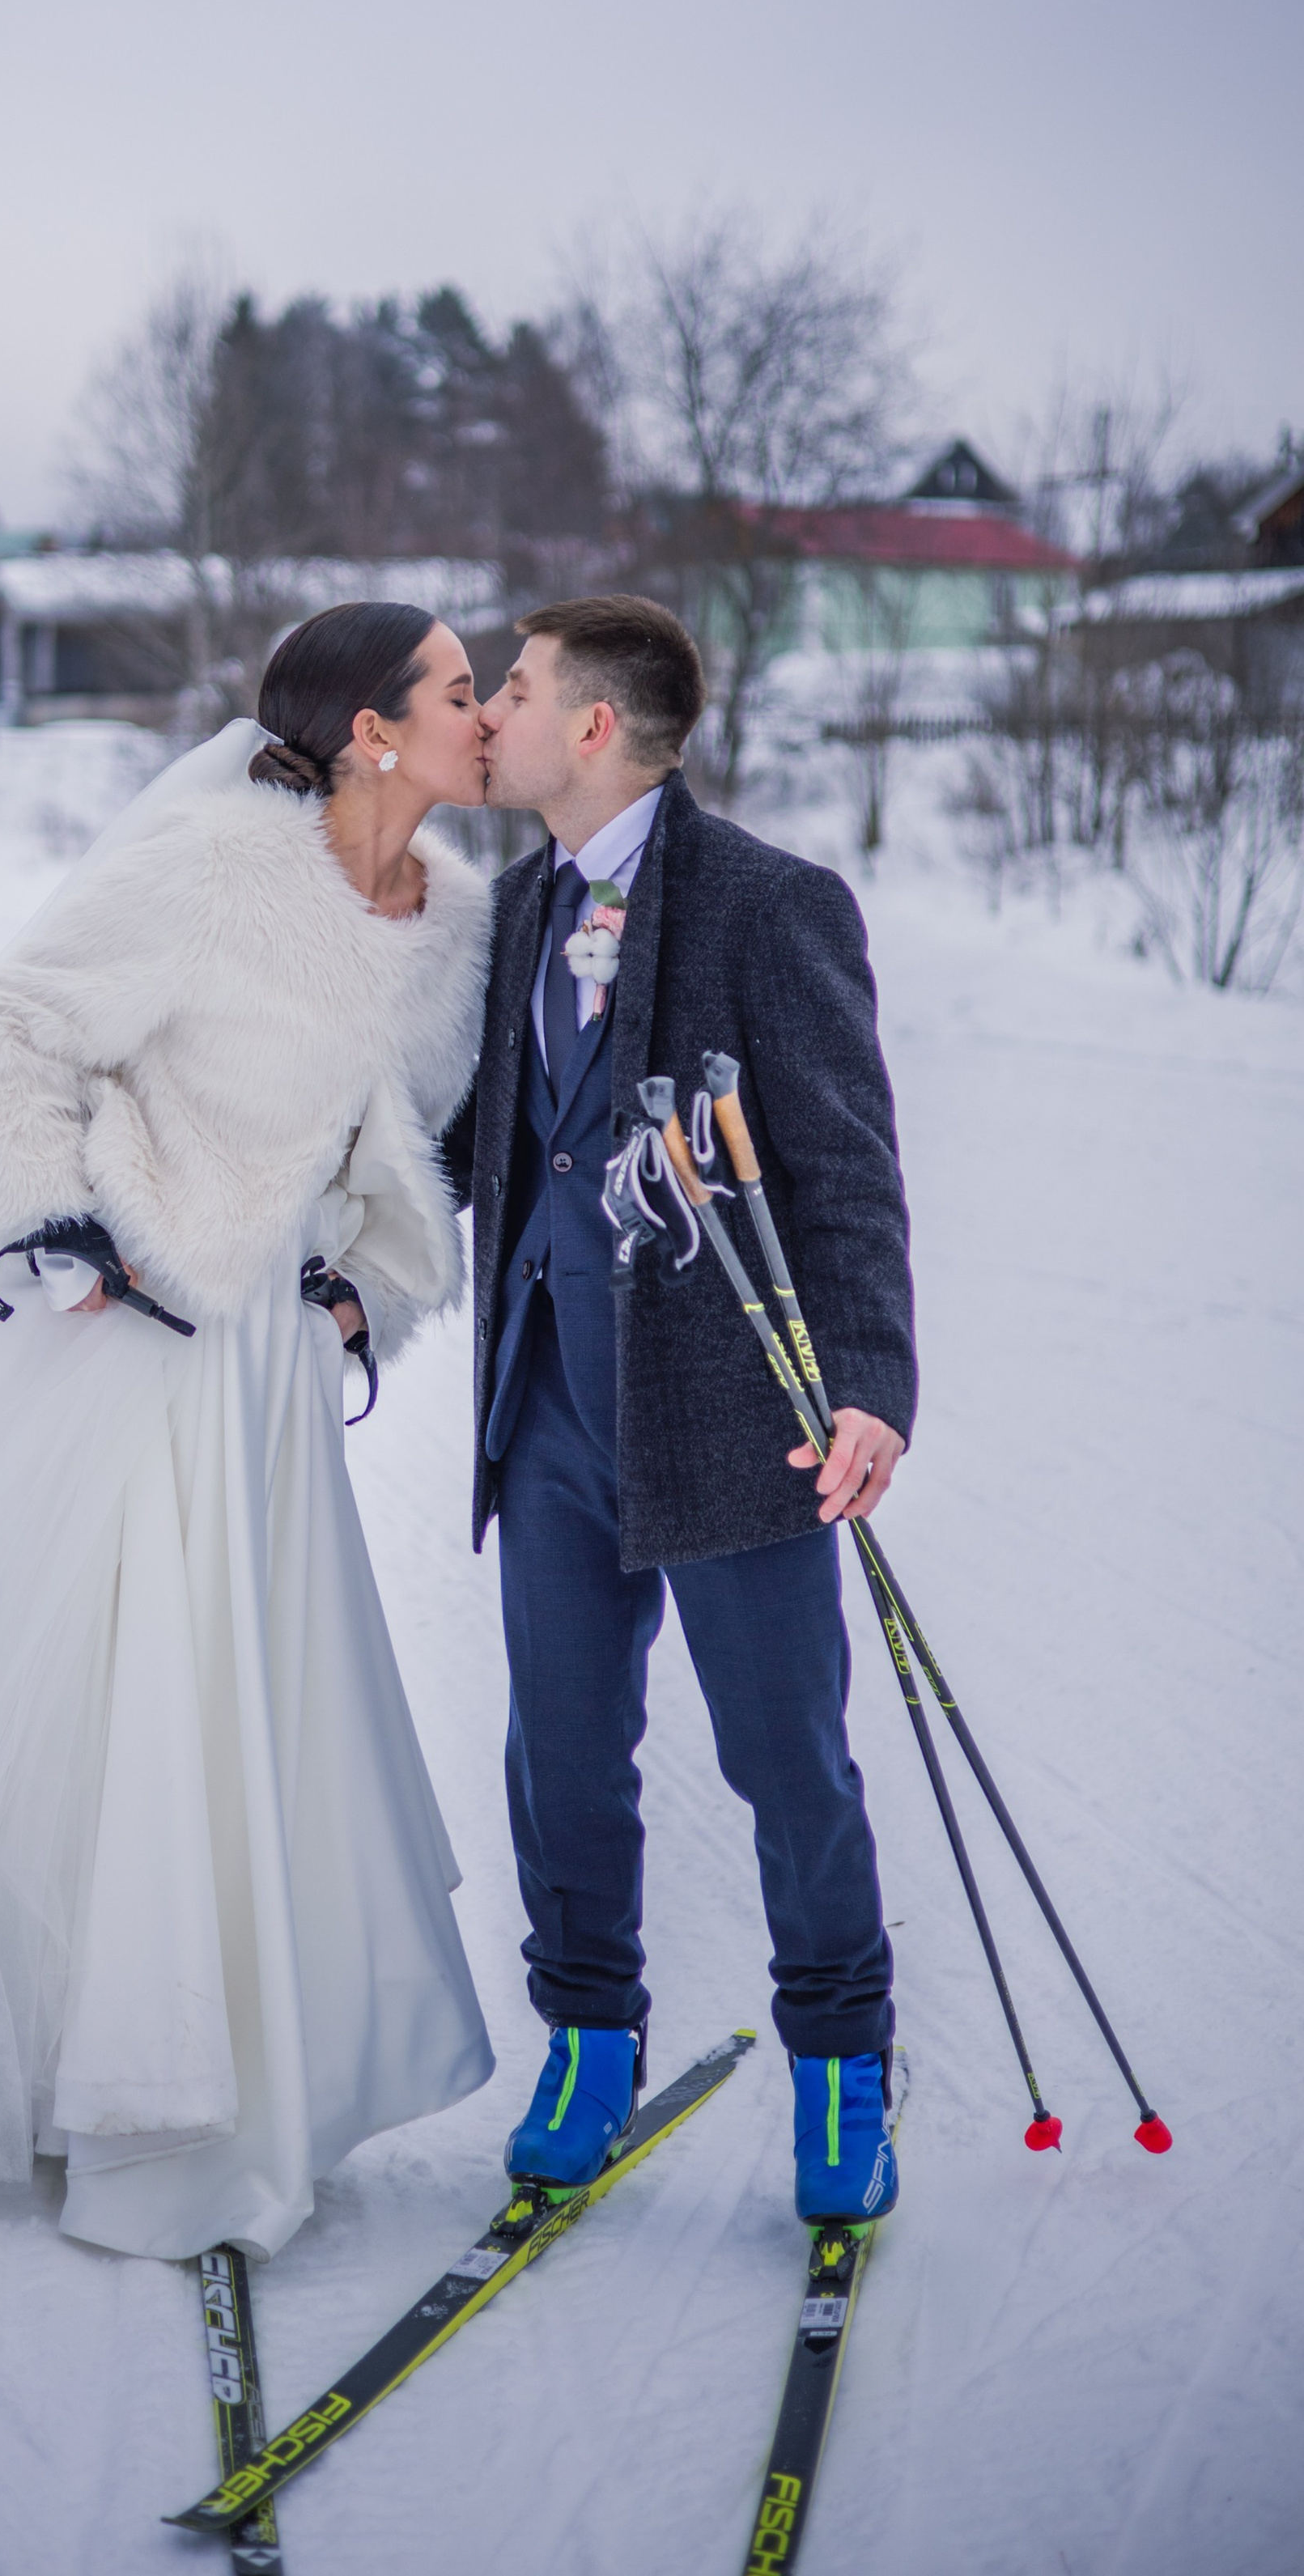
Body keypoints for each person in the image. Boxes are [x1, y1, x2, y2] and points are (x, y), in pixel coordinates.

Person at [0, 604, 496, 2260]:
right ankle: (98, 2086)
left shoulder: (453, 921)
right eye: (460, 689)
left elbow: (401, 1158)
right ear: (373, 730)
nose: (487, 711)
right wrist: (58, 1221)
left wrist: (363, 1300)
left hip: (270, 1381)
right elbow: (13, 1025)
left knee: (249, 1719)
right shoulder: (212, 872)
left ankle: (242, 2072)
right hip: (136, 1342)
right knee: (127, 1709)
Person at [444, 594, 915, 2224]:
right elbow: (473, 1149)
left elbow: (846, 1170)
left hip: (736, 1417)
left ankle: (841, 2064)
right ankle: (588, 2039)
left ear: (592, 723)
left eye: (512, 688)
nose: (486, 713)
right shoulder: (515, 908)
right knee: (563, 1752)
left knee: (785, 1759)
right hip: (544, 1410)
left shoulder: (769, 905)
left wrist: (870, 1389)